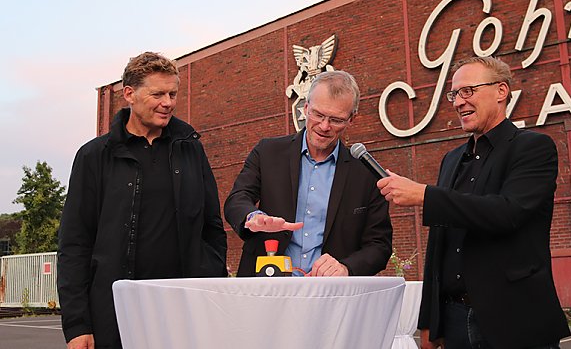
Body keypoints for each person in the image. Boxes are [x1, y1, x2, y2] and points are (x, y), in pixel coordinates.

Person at [377, 56, 571, 349]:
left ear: (501, 91)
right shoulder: (452, 159)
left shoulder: (533, 148)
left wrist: (425, 195)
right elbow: (438, 246)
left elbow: (507, 213)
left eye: (468, 91)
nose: (457, 102)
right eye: (454, 94)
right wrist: (429, 321)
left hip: (515, 320)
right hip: (454, 321)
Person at [57, 52, 227, 349]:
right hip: (114, 314)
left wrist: (211, 281)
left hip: (182, 312)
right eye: (158, 93)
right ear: (129, 94)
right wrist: (77, 324)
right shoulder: (94, 157)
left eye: (173, 93)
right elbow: (74, 244)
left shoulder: (191, 150)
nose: (169, 102)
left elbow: (212, 227)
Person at [224, 70, 392, 277]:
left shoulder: (367, 174)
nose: (324, 126)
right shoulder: (268, 152)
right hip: (265, 290)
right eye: (318, 115)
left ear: (352, 119)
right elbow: (237, 199)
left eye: (336, 120)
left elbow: (379, 245)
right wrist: (253, 216)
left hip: (330, 295)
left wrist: (346, 268)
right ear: (305, 108)